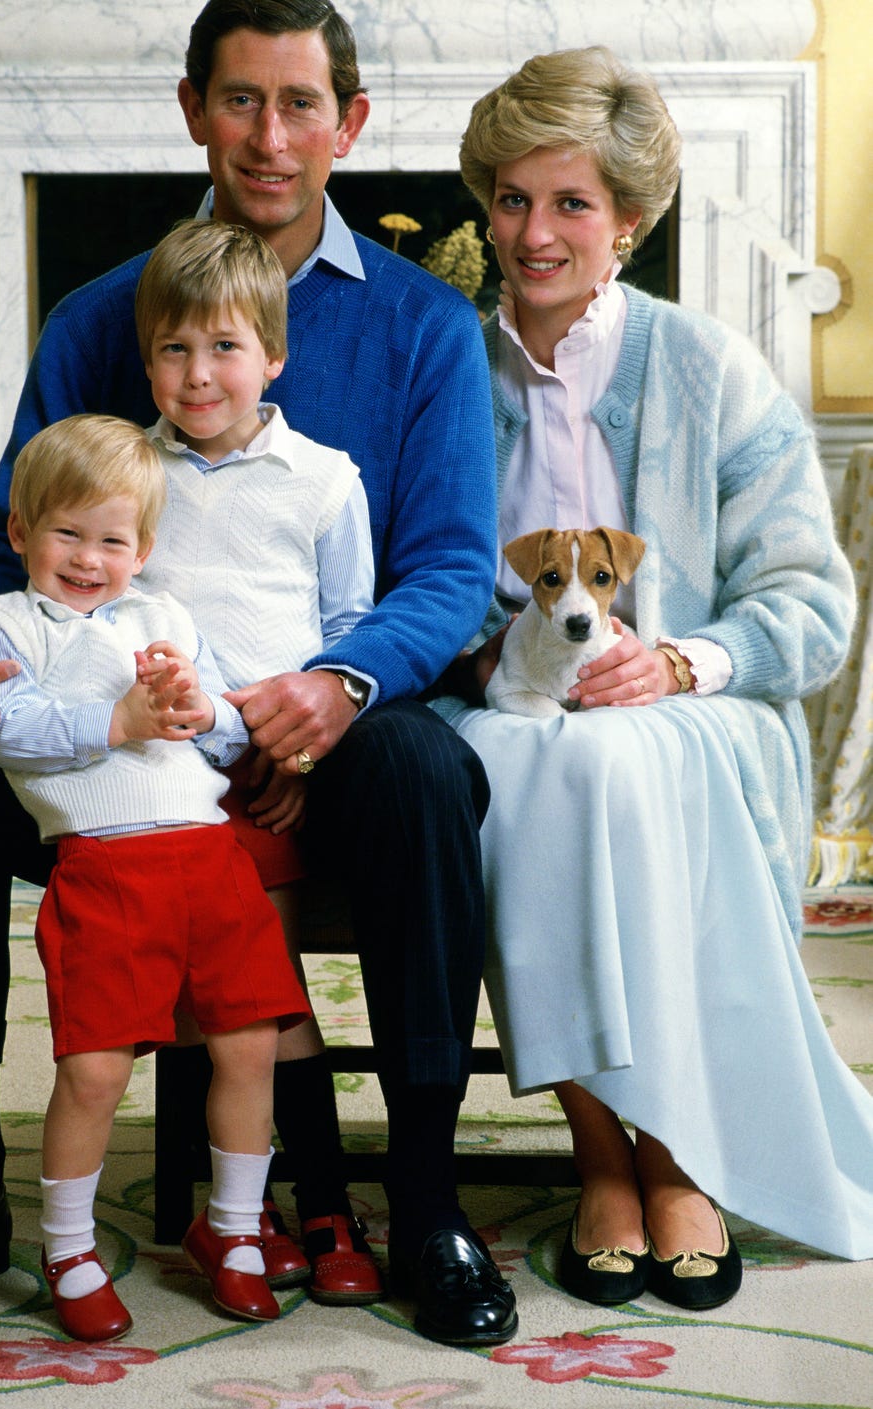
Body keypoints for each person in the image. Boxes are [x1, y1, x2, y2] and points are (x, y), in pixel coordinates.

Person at [0, 0, 517, 1348]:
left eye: (302, 105)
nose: (271, 138)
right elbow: (18, 530)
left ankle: (424, 1194)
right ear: (193, 110)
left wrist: (339, 689)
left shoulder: (422, 326)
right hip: (126, 735)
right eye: (241, 101)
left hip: (331, 723)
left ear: (350, 123)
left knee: (424, 772)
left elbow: (452, 570)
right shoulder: (109, 314)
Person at [432, 45, 873, 1312]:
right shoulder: (447, 368)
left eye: (570, 202)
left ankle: (671, 1148)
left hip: (698, 717)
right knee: (541, 758)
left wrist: (676, 656)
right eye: (512, 198)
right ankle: (602, 1150)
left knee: (611, 757)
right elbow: (415, 577)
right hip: (512, 712)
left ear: (628, 219)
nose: (534, 231)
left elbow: (809, 604)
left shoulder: (710, 368)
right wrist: (495, 654)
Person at [0, 413, 312, 1339]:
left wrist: (200, 706)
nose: (89, 558)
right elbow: (14, 734)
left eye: (112, 539)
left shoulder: (165, 618)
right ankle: (70, 1244)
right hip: (104, 868)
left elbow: (232, 733)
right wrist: (117, 723)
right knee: (93, 1068)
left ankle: (234, 1228)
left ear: (144, 548)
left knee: (247, 1046)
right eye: (66, 534)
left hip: (208, 857)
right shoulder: (3, 627)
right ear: (21, 533)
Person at [137, 214, 381, 1305]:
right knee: (205, 1005)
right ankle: (238, 1211)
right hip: (158, 780)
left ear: (272, 355)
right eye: (175, 348)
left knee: (263, 1000)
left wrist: (304, 745)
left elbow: (350, 624)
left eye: (225, 346)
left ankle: (321, 1199)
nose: (199, 374)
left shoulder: (322, 479)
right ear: (148, 357)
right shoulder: (127, 470)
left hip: (271, 780)